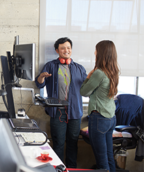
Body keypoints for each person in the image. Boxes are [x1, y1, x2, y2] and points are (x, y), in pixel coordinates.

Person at [35, 37, 87, 168]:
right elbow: (39, 85)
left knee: (73, 142)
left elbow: (87, 88)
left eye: (68, 48)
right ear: (57, 50)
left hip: (75, 113)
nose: (66, 50)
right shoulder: (50, 66)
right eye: (63, 48)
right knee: (58, 143)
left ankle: (71, 168)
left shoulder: (79, 68)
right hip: (58, 112)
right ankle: (57, 169)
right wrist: (41, 77)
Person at [80, 40, 119, 172]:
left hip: (99, 118)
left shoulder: (99, 73)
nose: (94, 52)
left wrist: (88, 77)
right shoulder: (113, 71)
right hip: (110, 119)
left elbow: (84, 92)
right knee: (109, 157)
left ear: (101, 53)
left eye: (96, 50)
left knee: (101, 161)